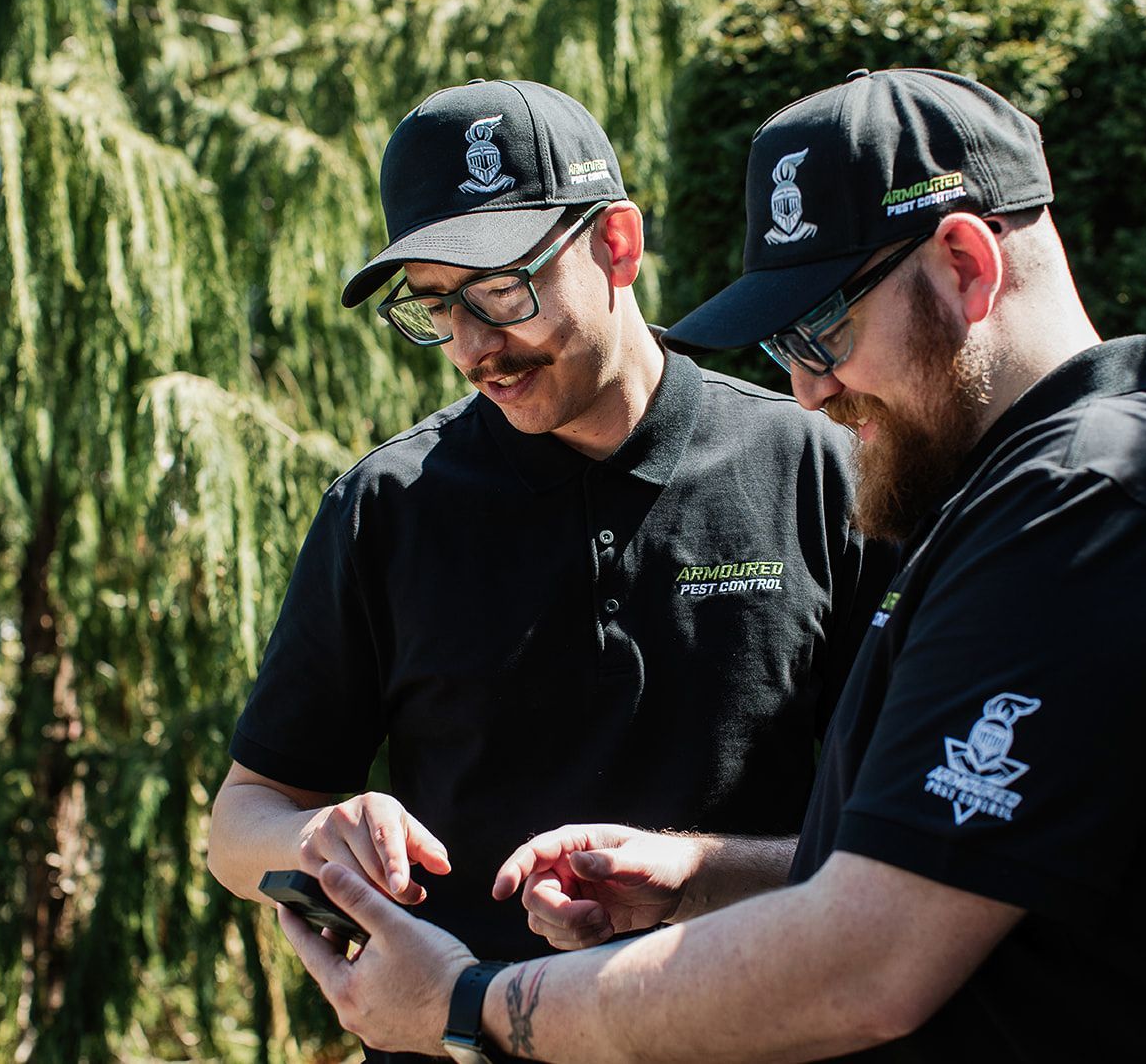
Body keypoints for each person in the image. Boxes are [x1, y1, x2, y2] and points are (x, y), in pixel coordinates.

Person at [273, 68, 1146, 1063]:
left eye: (821, 332)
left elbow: (870, 956)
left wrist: (473, 1006)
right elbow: (937, 867)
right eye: (785, 347)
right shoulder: (1006, 504)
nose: (810, 392)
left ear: (965, 266)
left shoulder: (1089, 511)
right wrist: (695, 876)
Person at [205, 78, 891, 1061]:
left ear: (618, 243)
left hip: (760, 1033)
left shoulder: (818, 467)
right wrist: (315, 835)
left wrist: (701, 871)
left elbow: (909, 830)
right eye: (437, 305)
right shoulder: (386, 507)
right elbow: (241, 821)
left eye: (501, 290)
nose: (475, 347)